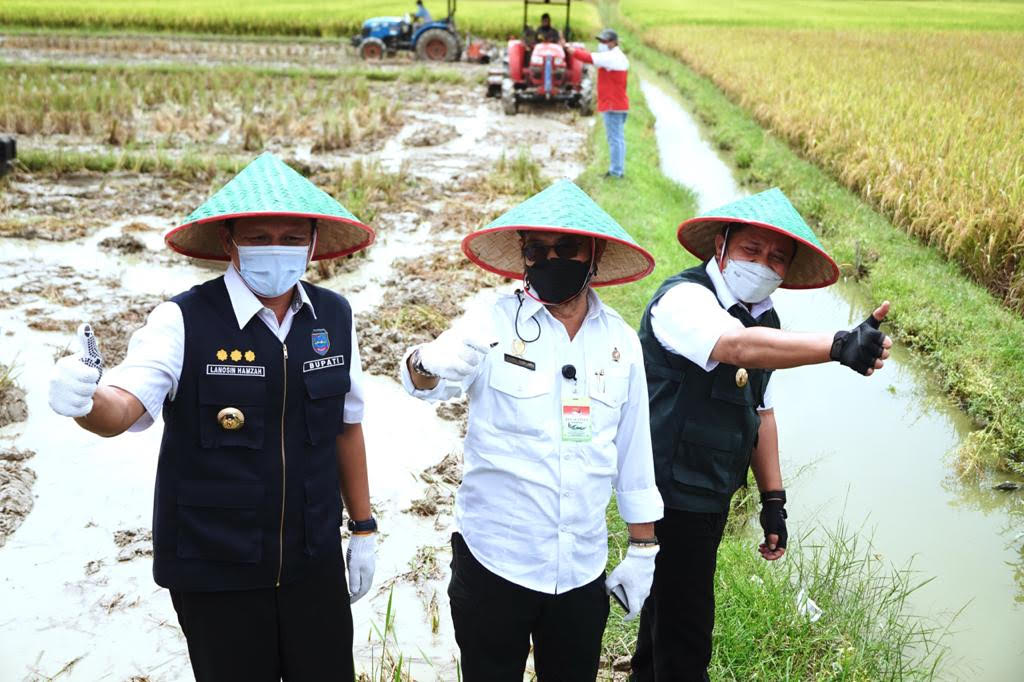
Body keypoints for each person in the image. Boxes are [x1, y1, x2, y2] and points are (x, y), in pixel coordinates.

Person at [47, 152, 379, 681]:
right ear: (229, 241)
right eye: (259, 236)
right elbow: (124, 405)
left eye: (293, 237)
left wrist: (362, 529)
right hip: (215, 566)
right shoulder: (181, 319)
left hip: (311, 561)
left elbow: (345, 425)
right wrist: (85, 401)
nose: (277, 249)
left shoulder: (335, 317)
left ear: (314, 244)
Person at [402, 179, 664, 681]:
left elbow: (635, 454)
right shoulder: (490, 321)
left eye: (566, 248)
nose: (551, 259)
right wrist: (427, 360)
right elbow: (425, 381)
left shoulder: (620, 343)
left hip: (581, 568)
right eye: (536, 250)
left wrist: (642, 549)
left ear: (595, 255)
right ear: (522, 257)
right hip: (495, 561)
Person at [630, 188, 894, 681]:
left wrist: (774, 499)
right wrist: (837, 345)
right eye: (751, 250)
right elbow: (735, 346)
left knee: (665, 623)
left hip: (709, 492)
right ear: (721, 248)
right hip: (667, 493)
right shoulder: (683, 299)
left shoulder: (765, 318)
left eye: (777, 258)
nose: (762, 264)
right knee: (686, 638)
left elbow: (762, 411)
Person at [570, 29, 629, 178]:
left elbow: (587, 58)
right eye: (601, 41)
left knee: (615, 139)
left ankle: (616, 172)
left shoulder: (612, 57)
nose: (602, 44)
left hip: (613, 105)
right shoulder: (616, 57)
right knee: (618, 139)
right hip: (617, 104)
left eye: (605, 41)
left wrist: (570, 50)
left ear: (614, 42)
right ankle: (617, 170)